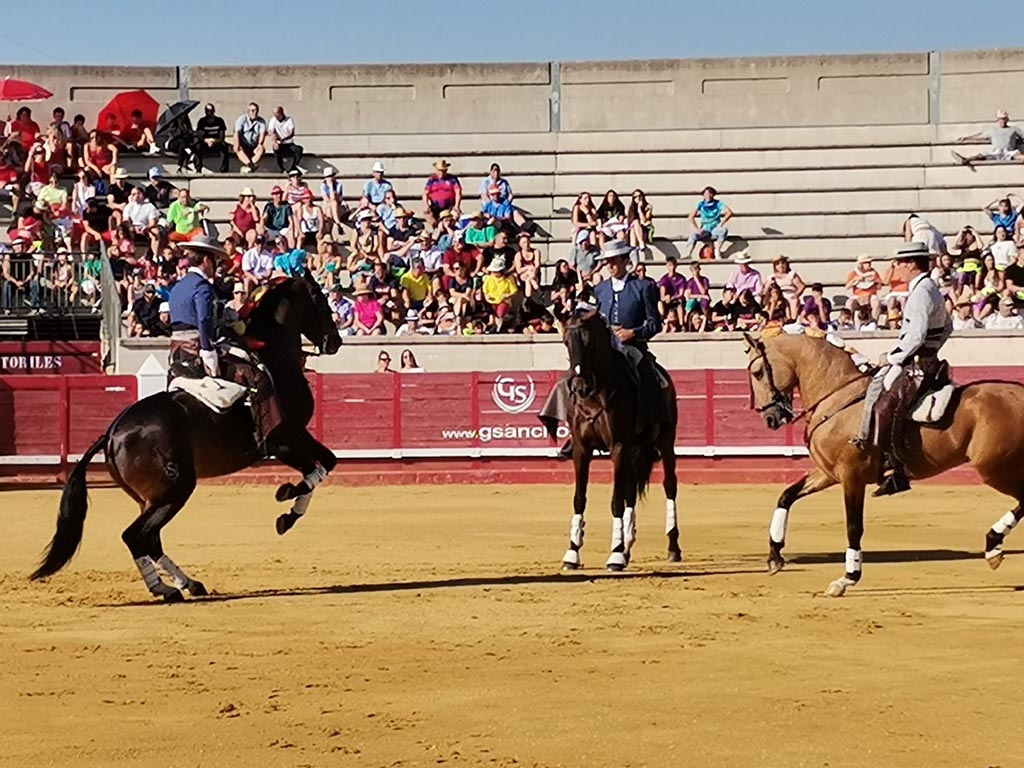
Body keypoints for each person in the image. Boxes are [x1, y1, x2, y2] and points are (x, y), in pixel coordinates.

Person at [540, 240, 664, 457]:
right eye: (607, 262)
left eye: (614, 261)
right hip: (603, 351)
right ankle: (574, 433)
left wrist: (632, 332)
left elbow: (655, 324)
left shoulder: (644, 287)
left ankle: (648, 434)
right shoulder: (600, 289)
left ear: (626, 261)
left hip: (632, 349)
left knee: (648, 379)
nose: (610, 265)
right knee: (571, 380)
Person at [851, 242, 952, 497]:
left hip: (916, 364)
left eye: (898, 263)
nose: (895, 268)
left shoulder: (920, 292)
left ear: (910, 264)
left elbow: (916, 336)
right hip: (927, 359)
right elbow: (947, 327)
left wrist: (893, 357)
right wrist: (933, 348)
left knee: (883, 404)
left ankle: (894, 467)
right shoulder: (930, 288)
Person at [953, 110, 1024, 167]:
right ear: (997, 120)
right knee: (981, 156)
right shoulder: (992, 130)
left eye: (1003, 119)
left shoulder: (1013, 129)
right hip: (996, 152)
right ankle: (966, 160)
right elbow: (980, 135)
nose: (1002, 121)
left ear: (1007, 120)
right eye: (1000, 119)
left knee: (1020, 157)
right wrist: (967, 138)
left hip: (1009, 152)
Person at [687, 186, 733, 259]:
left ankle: (717, 250)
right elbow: (690, 217)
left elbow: (729, 212)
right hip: (705, 228)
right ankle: (689, 254)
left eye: (709, 193)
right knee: (693, 235)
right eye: (706, 194)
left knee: (723, 230)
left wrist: (721, 223)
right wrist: (697, 228)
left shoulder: (718, 203)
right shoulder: (701, 204)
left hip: (715, 228)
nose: (708, 195)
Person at [422, 159, 461, 226]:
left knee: (456, 214)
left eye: (443, 171)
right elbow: (425, 193)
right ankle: (436, 227)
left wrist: (457, 205)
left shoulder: (452, 179)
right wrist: (426, 205)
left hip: (449, 206)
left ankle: (449, 226)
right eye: (439, 171)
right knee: (427, 214)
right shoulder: (432, 179)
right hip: (435, 206)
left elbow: (458, 192)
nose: (441, 173)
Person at [193, 103, 229, 174]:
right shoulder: (201, 121)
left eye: (211, 110)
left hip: (217, 142)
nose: (209, 112)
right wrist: (207, 141)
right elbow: (200, 136)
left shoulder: (220, 121)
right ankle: (198, 168)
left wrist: (214, 141)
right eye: (207, 110)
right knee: (197, 146)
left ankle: (224, 169)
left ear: (214, 111)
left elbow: (222, 136)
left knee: (225, 146)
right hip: (205, 143)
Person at [267, 105, 302, 173]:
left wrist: (283, 139)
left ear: (282, 113)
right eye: (274, 115)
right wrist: (275, 141)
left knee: (299, 149)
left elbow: (292, 133)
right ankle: (281, 168)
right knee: (276, 149)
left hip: (288, 143)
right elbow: (271, 131)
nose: (276, 116)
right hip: (279, 143)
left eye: (277, 114)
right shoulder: (273, 120)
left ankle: (294, 166)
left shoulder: (289, 120)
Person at [234, 103, 267, 173]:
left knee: (262, 149)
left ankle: (248, 167)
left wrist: (260, 144)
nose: (254, 113)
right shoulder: (241, 119)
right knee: (236, 148)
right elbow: (237, 133)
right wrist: (237, 144)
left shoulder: (261, 121)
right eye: (252, 111)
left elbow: (262, 134)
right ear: (248, 112)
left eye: (256, 111)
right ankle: (251, 165)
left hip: (254, 144)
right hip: (244, 143)